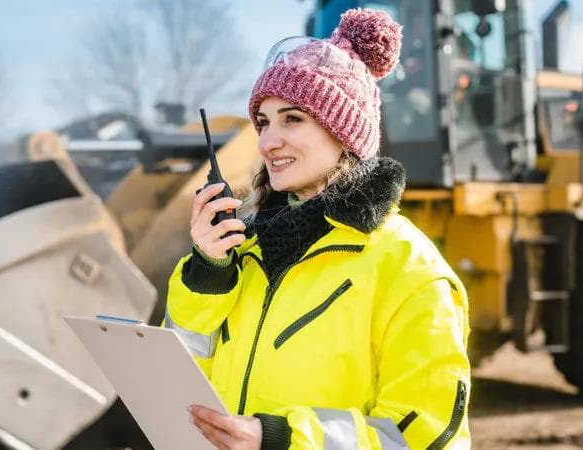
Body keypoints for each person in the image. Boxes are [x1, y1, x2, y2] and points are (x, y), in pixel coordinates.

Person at [165, 8, 471, 450]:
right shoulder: (241, 250)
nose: (269, 142)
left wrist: (281, 440)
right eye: (264, 122)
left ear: (343, 133)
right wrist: (207, 276)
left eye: (293, 119)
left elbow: (422, 437)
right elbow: (183, 379)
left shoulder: (410, 269)